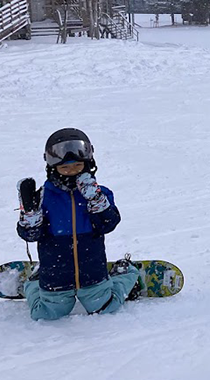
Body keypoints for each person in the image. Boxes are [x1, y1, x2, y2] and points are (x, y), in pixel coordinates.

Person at [16, 128, 141, 321]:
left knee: (105, 307)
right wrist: (30, 213)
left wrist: (95, 199)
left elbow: (108, 224)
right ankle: (34, 281)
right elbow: (30, 236)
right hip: (55, 274)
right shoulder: (42, 197)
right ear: (53, 168)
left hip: (92, 273)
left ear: (87, 164)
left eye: (77, 166)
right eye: (64, 168)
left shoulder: (101, 194)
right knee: (46, 314)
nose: (71, 172)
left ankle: (125, 273)